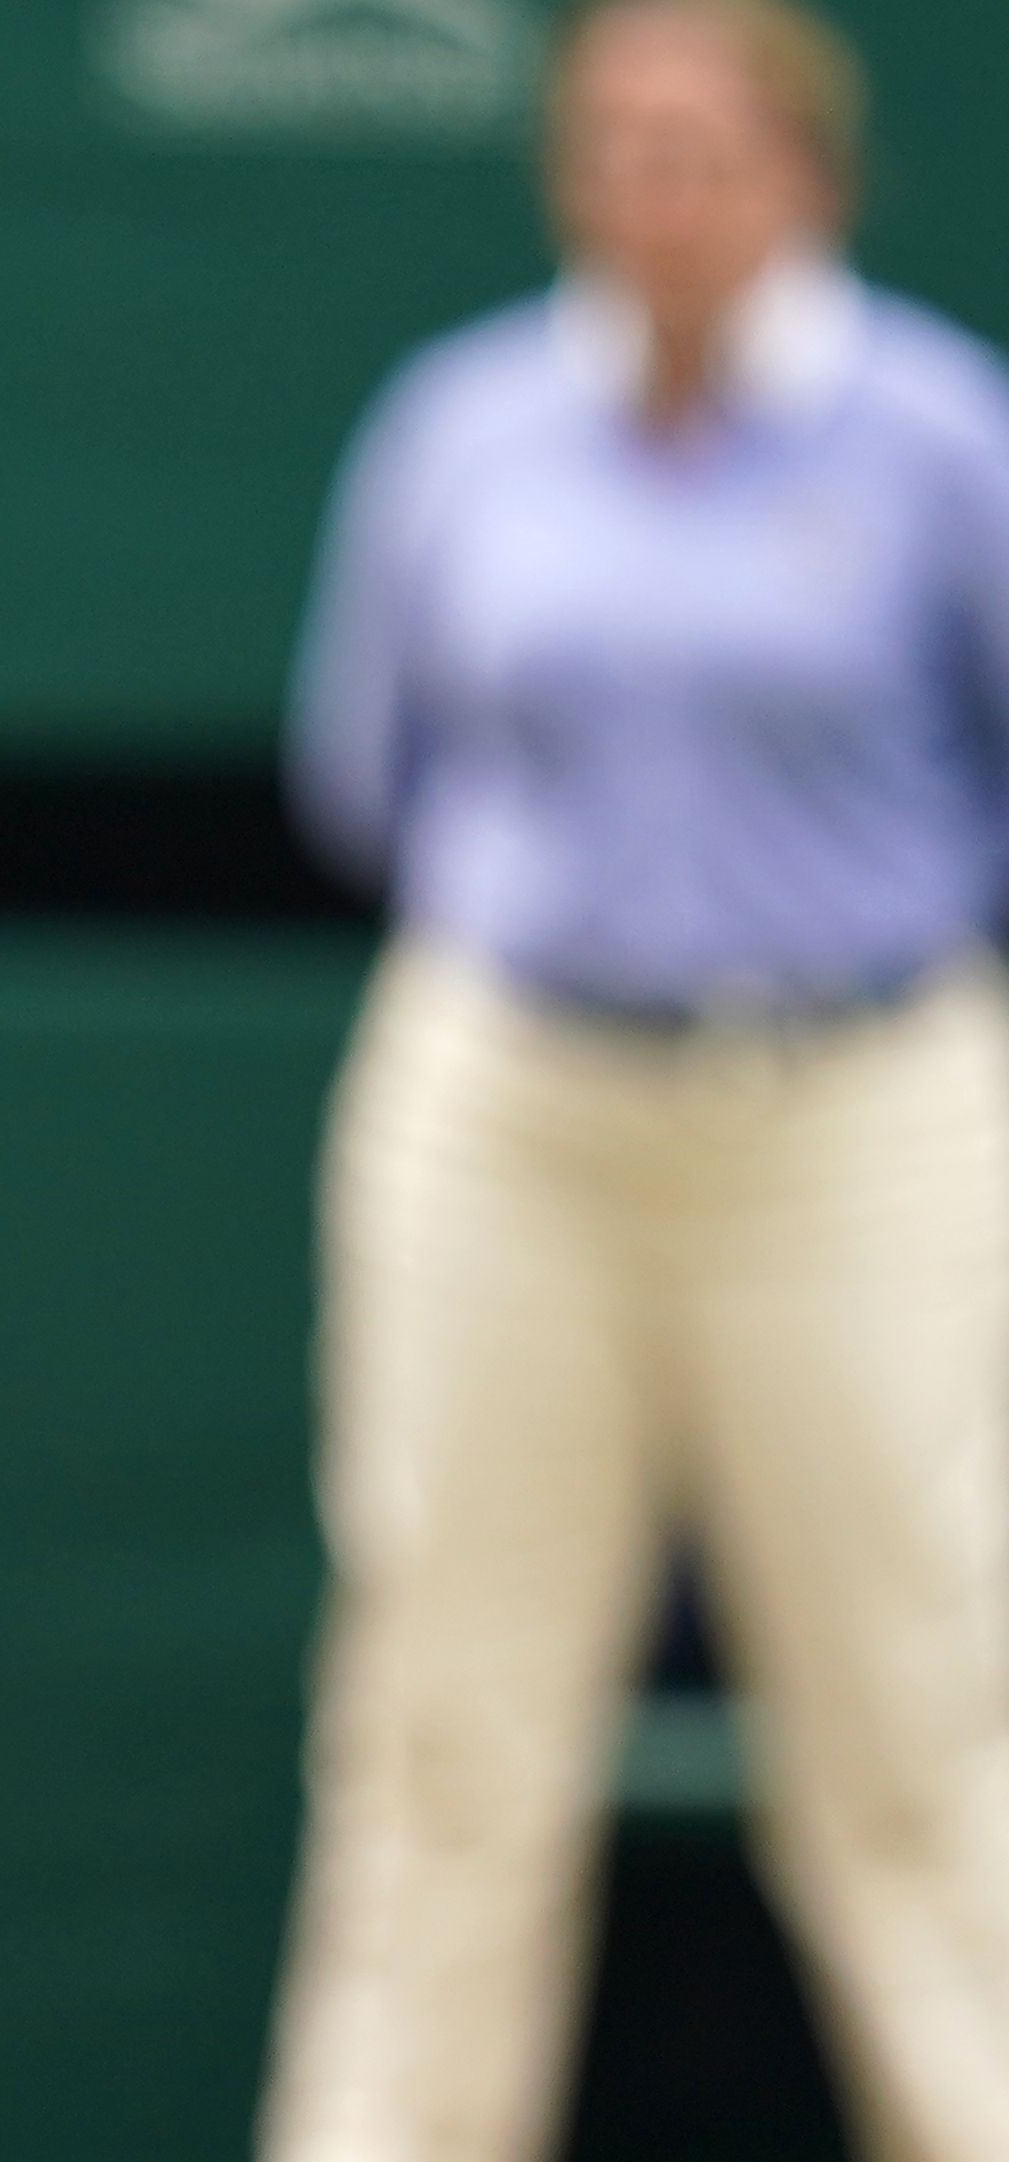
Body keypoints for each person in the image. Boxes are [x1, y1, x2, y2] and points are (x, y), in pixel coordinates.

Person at [262, 3, 1009, 2156]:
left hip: (860, 1119)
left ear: (807, 174)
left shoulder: (941, 440)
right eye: (611, 141)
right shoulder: (464, 427)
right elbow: (366, 767)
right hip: (504, 1112)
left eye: (697, 144)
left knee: (907, 1720)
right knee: (441, 1723)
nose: (649, 187)